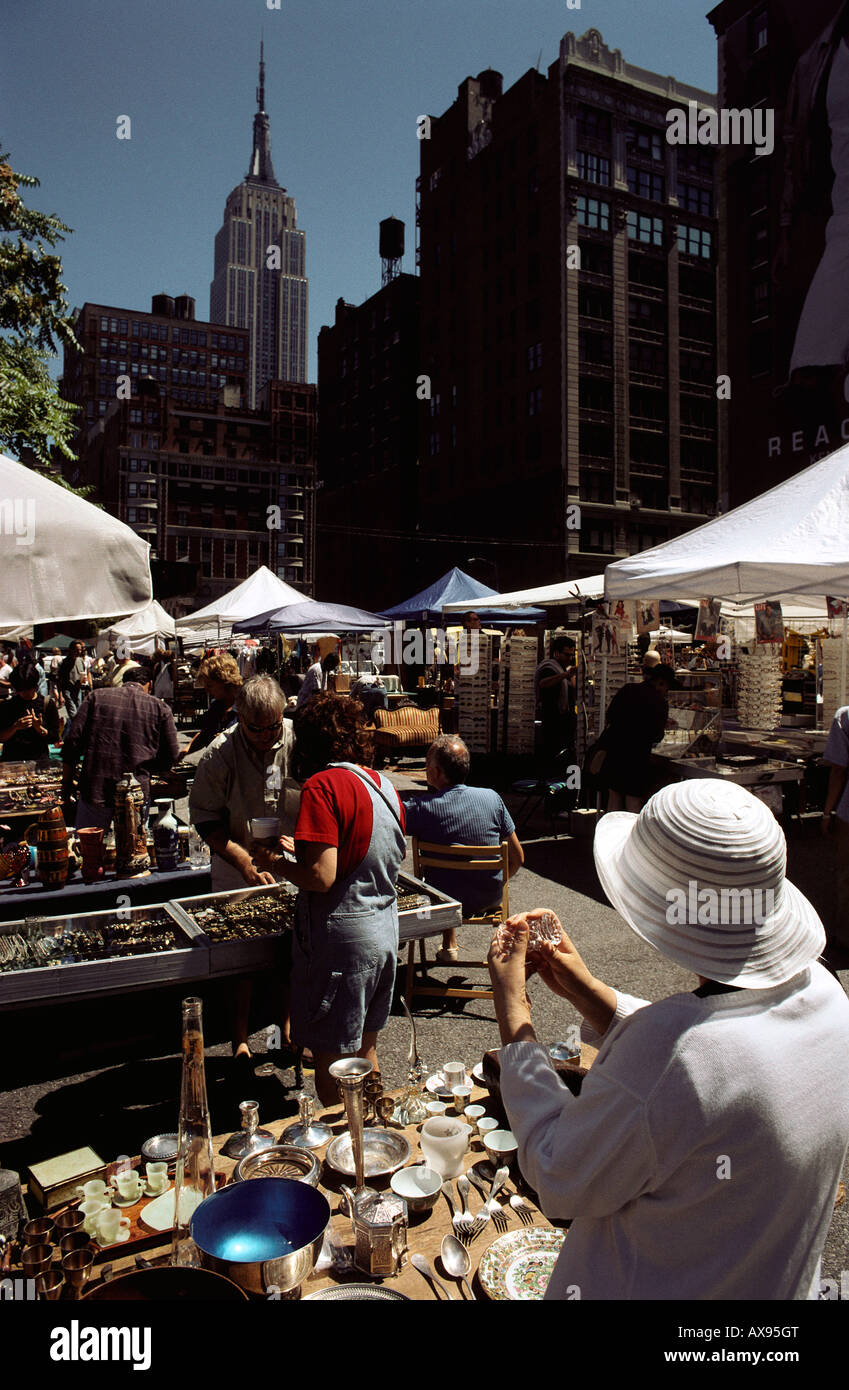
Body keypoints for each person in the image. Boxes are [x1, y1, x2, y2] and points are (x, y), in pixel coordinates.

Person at [487, 779, 849, 1300]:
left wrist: (513, 1009)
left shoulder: (675, 1052)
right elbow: (720, 1045)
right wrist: (589, 993)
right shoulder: (827, 994)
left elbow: (556, 1171)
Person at [253, 693, 406, 1105]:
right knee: (365, 1051)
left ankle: (344, 1146)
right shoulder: (384, 786)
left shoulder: (321, 786)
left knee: (332, 1063)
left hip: (343, 943)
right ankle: (374, 1141)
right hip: (384, 932)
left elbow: (322, 877)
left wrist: (273, 861)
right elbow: (362, 849)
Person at [189, 675, 301, 1060]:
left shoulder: (294, 737)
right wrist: (242, 860)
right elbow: (205, 819)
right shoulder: (220, 753)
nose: (269, 735)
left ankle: (287, 1028)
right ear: (240, 718)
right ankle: (239, 1039)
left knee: (290, 951)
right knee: (240, 961)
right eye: (257, 728)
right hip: (235, 863)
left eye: (274, 725)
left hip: (287, 861)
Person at [403, 735, 523, 962]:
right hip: (488, 898)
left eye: (427, 766)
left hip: (441, 904)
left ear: (436, 773)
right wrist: (495, 879)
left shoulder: (421, 808)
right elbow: (517, 857)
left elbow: (389, 821)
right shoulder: (492, 798)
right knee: (455, 875)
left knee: (439, 882)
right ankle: (450, 945)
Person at [61, 659, 180, 829]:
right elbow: (171, 756)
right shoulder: (160, 708)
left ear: (123, 682)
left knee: (90, 849)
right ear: (150, 685)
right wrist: (149, 769)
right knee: (134, 851)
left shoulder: (96, 697)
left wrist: (66, 783)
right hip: (135, 794)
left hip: (96, 788)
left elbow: (72, 744)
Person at [596, 664, 676, 812]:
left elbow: (611, 716)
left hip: (615, 752)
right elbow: (657, 736)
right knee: (633, 801)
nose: (666, 691)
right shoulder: (659, 702)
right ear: (661, 682)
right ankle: (632, 835)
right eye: (667, 687)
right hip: (637, 757)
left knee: (614, 796)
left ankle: (610, 833)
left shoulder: (628, 689)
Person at [822, 704, 849, 970]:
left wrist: (827, 811)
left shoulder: (845, 716)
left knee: (847, 875)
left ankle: (845, 937)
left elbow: (838, 769)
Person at [179, 652, 242, 761]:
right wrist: (183, 752)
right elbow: (205, 735)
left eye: (210, 685)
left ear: (225, 681)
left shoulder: (245, 707)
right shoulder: (216, 706)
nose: (207, 690)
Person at [0, 662, 60, 761]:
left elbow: (54, 738)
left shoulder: (47, 704)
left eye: (28, 689)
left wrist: (39, 728)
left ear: (35, 686)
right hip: (12, 761)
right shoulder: (7, 706)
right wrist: (15, 727)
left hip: (38, 762)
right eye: (20, 690)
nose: (24, 693)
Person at [534, 637, 576, 764]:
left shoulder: (561, 667)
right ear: (556, 653)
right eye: (567, 654)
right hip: (551, 719)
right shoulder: (549, 667)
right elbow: (543, 683)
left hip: (560, 718)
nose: (570, 658)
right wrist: (565, 675)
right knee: (551, 754)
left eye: (572, 655)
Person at [57, 641, 91, 720]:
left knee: (79, 711)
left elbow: (83, 673)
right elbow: (59, 680)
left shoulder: (80, 660)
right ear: (71, 650)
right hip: (67, 691)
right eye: (76, 650)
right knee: (73, 713)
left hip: (78, 689)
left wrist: (84, 680)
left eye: (80, 650)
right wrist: (60, 695)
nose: (78, 652)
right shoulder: (64, 663)